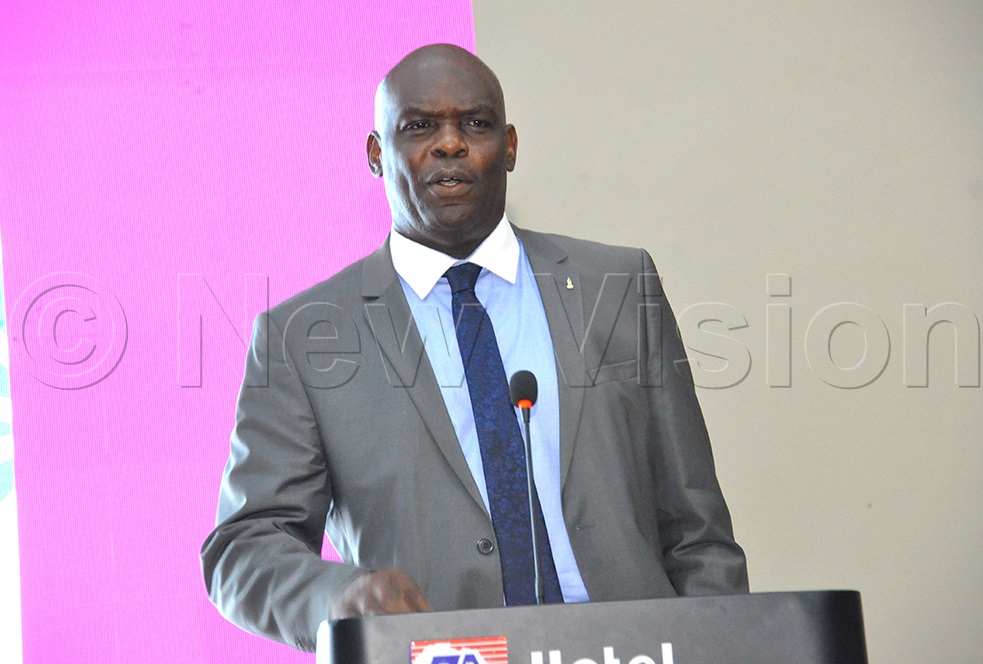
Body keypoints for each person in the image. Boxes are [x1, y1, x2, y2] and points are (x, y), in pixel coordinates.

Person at [200, 43, 748, 652]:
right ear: (377, 154)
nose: (450, 144)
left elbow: (696, 526)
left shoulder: (616, 286)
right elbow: (243, 549)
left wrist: (719, 647)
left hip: (637, 649)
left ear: (509, 147)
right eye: (419, 127)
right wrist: (337, 598)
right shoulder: (304, 337)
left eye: (476, 123)